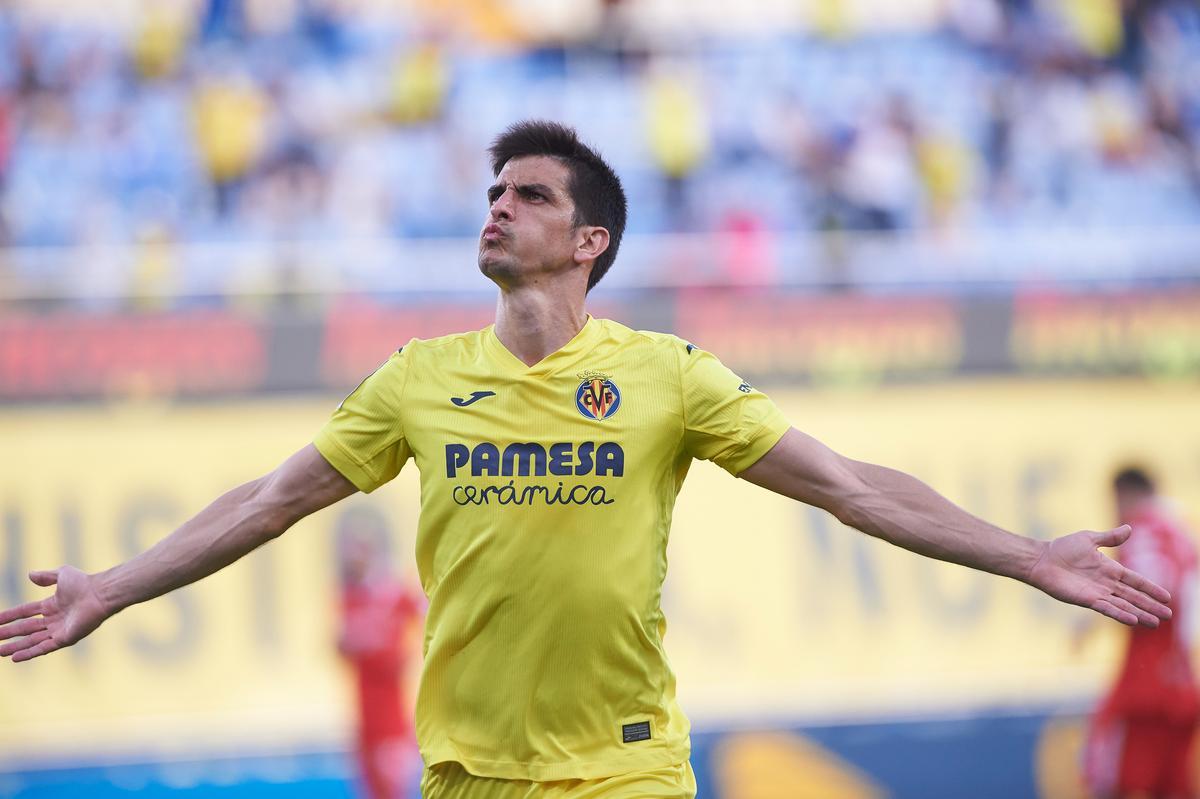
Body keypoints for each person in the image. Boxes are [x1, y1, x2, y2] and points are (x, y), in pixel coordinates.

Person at [0, 120, 1174, 799]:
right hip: (463, 772)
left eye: (529, 196)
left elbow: (854, 487)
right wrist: (112, 586)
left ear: (588, 240)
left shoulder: (667, 374)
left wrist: (1029, 556)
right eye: (494, 192)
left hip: (624, 772)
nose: (498, 207)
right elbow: (266, 504)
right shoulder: (417, 378)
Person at [1084, 467, 1198, 799]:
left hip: (1141, 689)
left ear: (1123, 494)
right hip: (1183, 688)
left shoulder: (1141, 530)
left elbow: (1153, 586)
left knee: (1108, 782)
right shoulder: (1180, 532)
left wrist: (1091, 617)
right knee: (1175, 789)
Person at [335, 508, 424, 799]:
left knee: (394, 789)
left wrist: (403, 651)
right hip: (364, 720)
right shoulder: (350, 599)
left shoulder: (393, 594)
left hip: (393, 720)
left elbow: (424, 614)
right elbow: (340, 646)